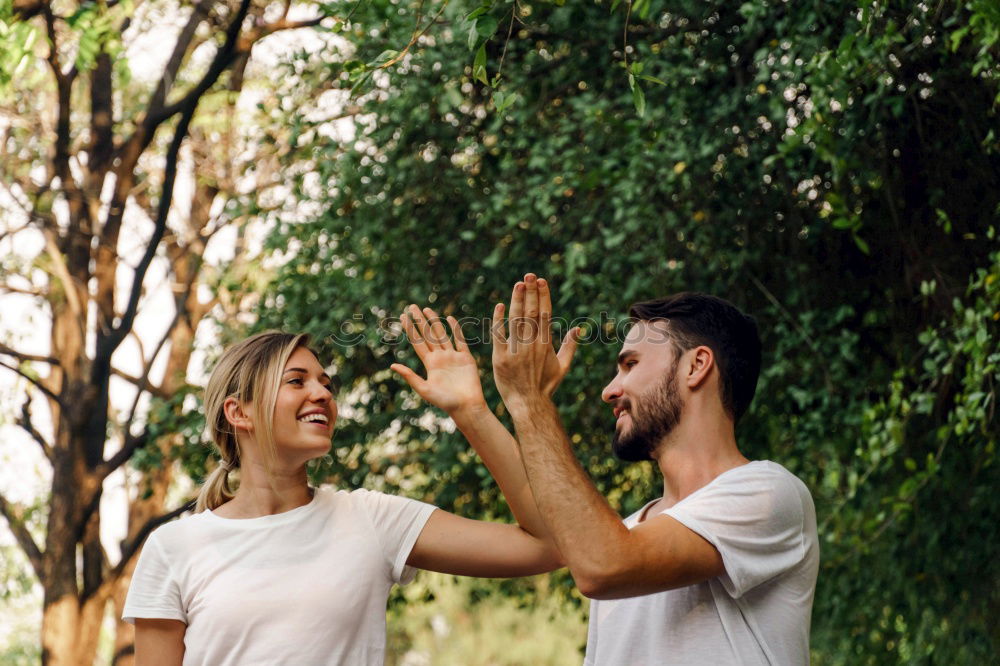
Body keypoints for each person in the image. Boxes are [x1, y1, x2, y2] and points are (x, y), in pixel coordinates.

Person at [123, 324, 573, 666]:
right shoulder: (174, 547)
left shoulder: (372, 519)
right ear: (239, 412)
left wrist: (471, 411)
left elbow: (550, 544)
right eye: (297, 381)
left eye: (325, 383)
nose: (322, 393)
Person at [490, 274, 820, 665]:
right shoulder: (626, 533)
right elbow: (575, 541)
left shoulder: (768, 494)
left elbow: (605, 565)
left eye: (630, 364)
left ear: (696, 365)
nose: (610, 390)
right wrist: (472, 410)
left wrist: (531, 399)